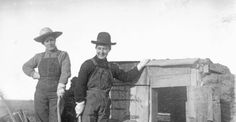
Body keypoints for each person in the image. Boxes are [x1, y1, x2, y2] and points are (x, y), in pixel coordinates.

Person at [74, 32, 150, 122]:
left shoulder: (112, 67)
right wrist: (80, 102)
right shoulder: (87, 65)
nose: (101, 52)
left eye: (104, 49)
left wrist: (140, 66)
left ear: (109, 49)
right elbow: (80, 85)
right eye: (99, 48)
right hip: (89, 106)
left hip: (104, 106)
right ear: (95, 48)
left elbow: (126, 77)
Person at [22, 27, 71, 122]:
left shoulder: (63, 55)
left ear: (55, 40)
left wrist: (61, 85)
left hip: (56, 92)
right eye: (47, 41)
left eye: (51, 40)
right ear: (43, 43)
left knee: (55, 119)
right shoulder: (39, 57)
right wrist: (33, 74)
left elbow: (65, 71)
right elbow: (25, 66)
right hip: (41, 93)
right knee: (40, 119)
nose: (50, 43)